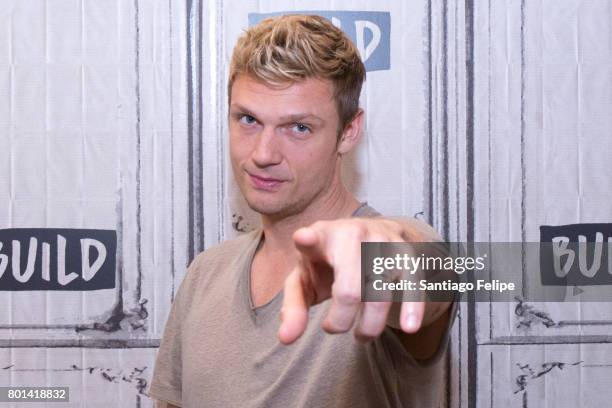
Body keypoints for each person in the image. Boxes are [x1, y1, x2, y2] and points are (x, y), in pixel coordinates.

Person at [148, 14, 457, 408]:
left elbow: (426, 271)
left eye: (298, 128)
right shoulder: (205, 273)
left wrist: (384, 252)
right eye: (248, 120)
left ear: (348, 132)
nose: (262, 154)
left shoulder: (376, 252)